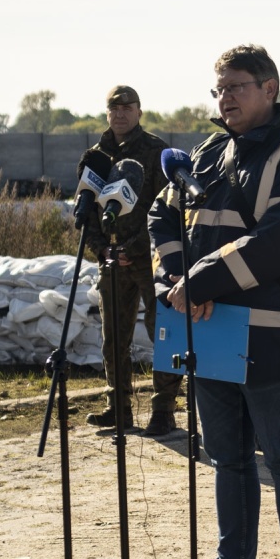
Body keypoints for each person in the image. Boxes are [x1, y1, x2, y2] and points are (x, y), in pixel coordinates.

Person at [149, 45, 280, 559]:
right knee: (227, 460)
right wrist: (176, 282)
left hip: (272, 339)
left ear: (271, 87)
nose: (225, 97)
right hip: (209, 334)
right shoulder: (207, 154)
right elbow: (162, 216)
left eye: (237, 87)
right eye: (219, 88)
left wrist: (199, 280)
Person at [81, 85, 183, 436]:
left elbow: (163, 207)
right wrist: (103, 249)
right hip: (110, 259)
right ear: (107, 113)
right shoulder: (95, 156)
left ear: (139, 111)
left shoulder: (156, 151)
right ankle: (118, 408)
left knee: (162, 334)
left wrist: (133, 248)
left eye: (128, 108)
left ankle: (163, 410)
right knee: (114, 338)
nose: (121, 114)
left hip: (149, 259)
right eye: (115, 108)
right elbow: (87, 211)